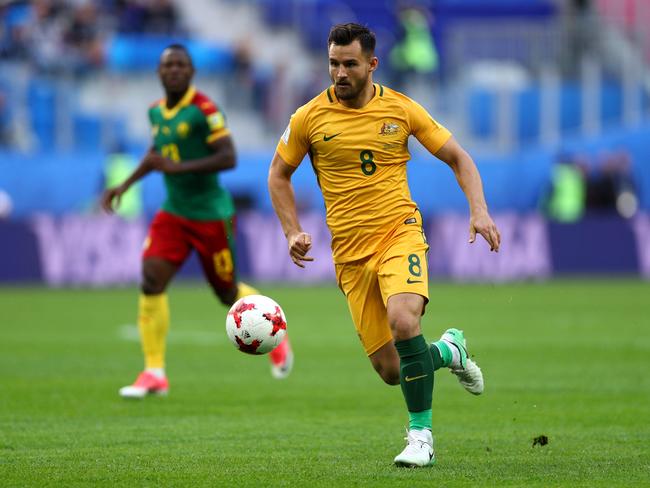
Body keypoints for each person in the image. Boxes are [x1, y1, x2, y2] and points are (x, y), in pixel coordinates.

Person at [267, 24, 500, 467]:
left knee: (403, 320)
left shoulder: (402, 109)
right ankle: (451, 350)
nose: (340, 73)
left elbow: (458, 157)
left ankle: (421, 436)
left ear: (372, 64)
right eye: (333, 63)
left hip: (399, 232)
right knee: (393, 370)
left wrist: (479, 209)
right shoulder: (307, 118)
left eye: (350, 64)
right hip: (350, 255)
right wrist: (291, 230)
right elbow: (278, 175)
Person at [102, 44, 293, 399]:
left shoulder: (204, 109)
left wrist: (179, 168)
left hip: (209, 214)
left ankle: (275, 330)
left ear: (191, 72)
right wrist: (124, 185)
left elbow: (228, 157)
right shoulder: (157, 112)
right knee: (150, 279)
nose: (174, 70)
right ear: (159, 74)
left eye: (180, 65)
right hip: (174, 212)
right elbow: (157, 153)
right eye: (168, 65)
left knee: (226, 292)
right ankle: (154, 372)